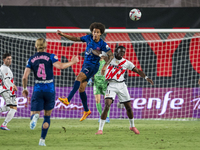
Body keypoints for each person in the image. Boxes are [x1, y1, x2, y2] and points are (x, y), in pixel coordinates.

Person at [22, 38, 79, 146]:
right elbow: (61, 66)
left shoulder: (31, 59)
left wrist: (25, 88)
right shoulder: (51, 56)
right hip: (50, 89)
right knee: (47, 116)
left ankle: (35, 117)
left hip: (38, 88)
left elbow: (25, 77)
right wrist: (73, 62)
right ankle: (42, 140)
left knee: (33, 114)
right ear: (46, 46)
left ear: (36, 46)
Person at [57, 22, 114, 121]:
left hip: (93, 66)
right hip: (85, 65)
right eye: (94, 31)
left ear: (100, 33)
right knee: (81, 89)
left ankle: (68, 99)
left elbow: (111, 56)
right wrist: (63, 35)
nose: (95, 33)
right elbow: (75, 39)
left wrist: (105, 66)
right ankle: (87, 111)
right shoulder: (88, 38)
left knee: (79, 77)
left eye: (97, 32)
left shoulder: (103, 44)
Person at [95, 46, 154, 135]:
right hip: (111, 85)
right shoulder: (109, 58)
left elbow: (138, 71)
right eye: (120, 51)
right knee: (107, 105)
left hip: (122, 86)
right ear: (116, 51)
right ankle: (100, 129)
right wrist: (101, 55)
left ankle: (132, 126)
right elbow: (94, 51)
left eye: (123, 52)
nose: (122, 53)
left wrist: (146, 77)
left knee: (128, 107)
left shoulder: (126, 63)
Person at [0, 53, 18, 130]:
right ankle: (4, 124)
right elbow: (6, 80)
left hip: (6, 89)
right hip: (5, 89)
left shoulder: (5, 68)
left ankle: (4, 124)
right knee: (13, 107)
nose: (10, 60)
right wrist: (13, 85)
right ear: (4, 60)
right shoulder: (5, 68)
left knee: (8, 107)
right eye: (8, 59)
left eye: (10, 59)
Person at [93, 57, 111, 123]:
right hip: (96, 83)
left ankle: (107, 116)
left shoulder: (106, 62)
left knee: (107, 100)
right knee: (97, 100)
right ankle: (101, 116)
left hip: (104, 83)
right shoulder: (95, 62)